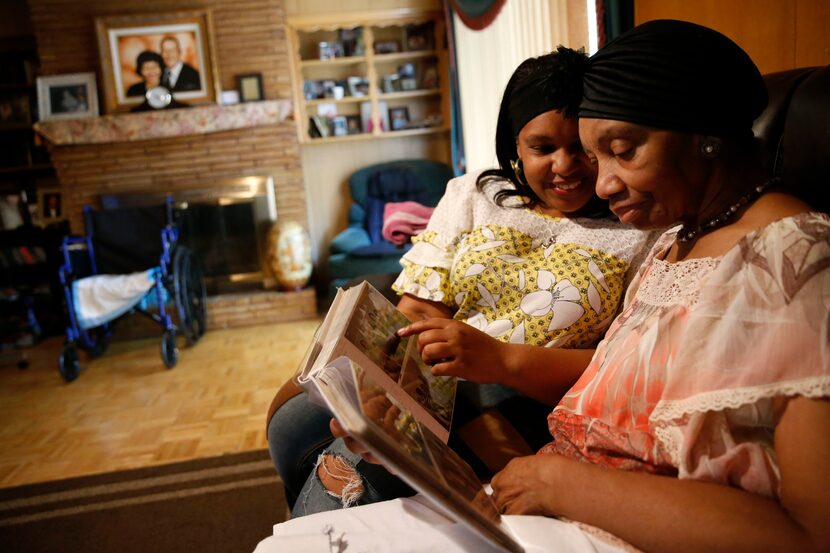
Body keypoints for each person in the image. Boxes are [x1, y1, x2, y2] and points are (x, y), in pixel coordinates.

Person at [255, 20, 829, 553]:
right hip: (536, 491)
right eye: (587, 152)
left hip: (577, 504)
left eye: (621, 152)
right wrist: (417, 448)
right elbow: (608, 379)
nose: (600, 183)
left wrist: (558, 481)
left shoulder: (796, 261)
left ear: (702, 132)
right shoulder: (677, 238)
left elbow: (810, 533)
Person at [268, 47, 659, 518]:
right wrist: (390, 378)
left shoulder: (639, 225)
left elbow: (621, 368)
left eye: (582, 147)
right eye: (542, 148)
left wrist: (498, 361)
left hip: (527, 398)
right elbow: (419, 309)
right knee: (294, 425)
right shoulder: (476, 193)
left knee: (350, 471)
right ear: (514, 144)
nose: (566, 166)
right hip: (436, 382)